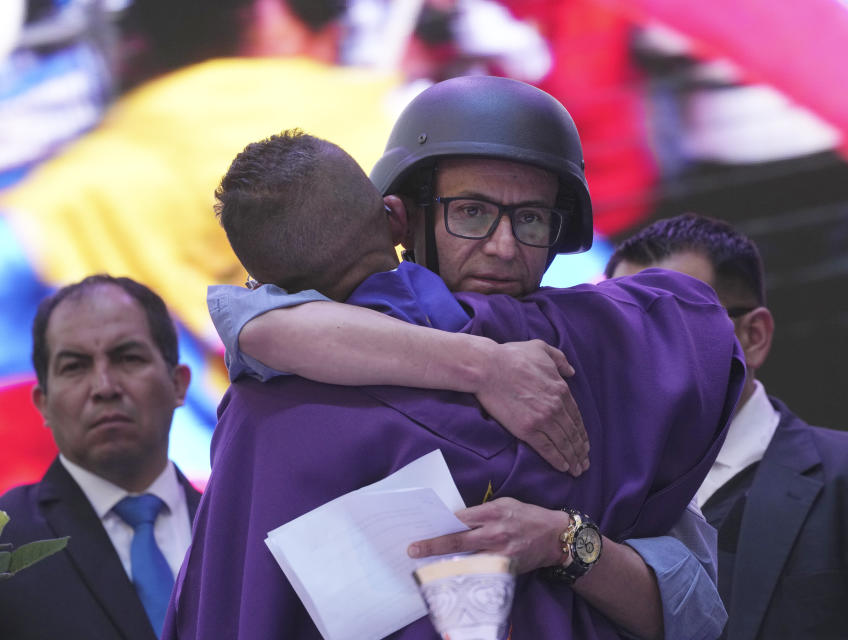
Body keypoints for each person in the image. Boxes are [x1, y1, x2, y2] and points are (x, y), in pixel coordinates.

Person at [169, 78, 743, 640]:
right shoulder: (279, 395)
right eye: (470, 212)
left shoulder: (604, 356)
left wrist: (563, 541)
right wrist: (479, 362)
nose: (504, 245)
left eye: (532, 219)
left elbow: (695, 617)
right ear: (403, 217)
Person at [605, 213, 848, 640]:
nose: (643, 352)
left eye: (672, 323)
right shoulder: (591, 499)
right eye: (619, 329)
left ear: (753, 336)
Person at [0, 275, 200, 640]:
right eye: (75, 366)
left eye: (128, 358)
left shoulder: (244, 527)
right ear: (42, 403)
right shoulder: (7, 540)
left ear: (179, 383)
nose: (105, 387)